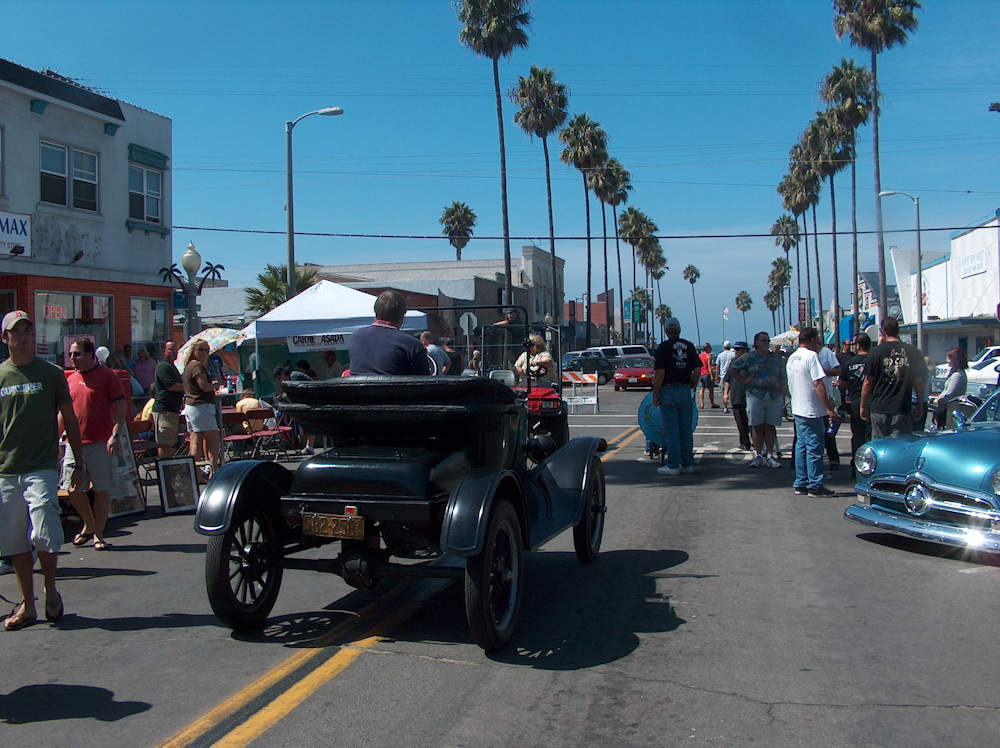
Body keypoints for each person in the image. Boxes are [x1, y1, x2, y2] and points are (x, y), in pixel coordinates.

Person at [0, 311, 85, 630]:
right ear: (5, 338)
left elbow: (70, 419)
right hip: (6, 471)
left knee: (44, 535)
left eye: (27, 330)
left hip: (42, 468)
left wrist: (78, 462)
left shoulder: (50, 374)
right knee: (14, 542)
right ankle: (28, 605)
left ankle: (51, 590)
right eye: (15, 332)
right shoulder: (1, 375)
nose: (23, 336)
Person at [62, 337, 128, 552]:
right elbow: (64, 412)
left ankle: (98, 534)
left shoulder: (107, 376)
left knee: (101, 489)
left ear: (91, 355)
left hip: (101, 442)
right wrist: (58, 436)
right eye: (71, 354)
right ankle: (88, 524)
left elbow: (121, 407)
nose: (73, 358)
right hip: (75, 443)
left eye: (77, 354)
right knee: (73, 489)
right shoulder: (70, 379)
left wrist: (115, 434)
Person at [786, 327, 839, 497]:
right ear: (811, 340)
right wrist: (829, 408)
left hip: (798, 407)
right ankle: (815, 484)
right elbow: (818, 383)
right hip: (811, 409)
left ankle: (801, 481)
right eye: (816, 340)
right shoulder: (811, 357)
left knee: (801, 446)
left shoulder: (792, 357)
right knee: (814, 448)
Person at [860, 316, 928, 439]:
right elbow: (918, 381)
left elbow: (868, 382)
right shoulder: (913, 352)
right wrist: (920, 405)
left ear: (883, 331)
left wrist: (863, 405)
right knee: (900, 447)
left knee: (880, 447)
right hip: (902, 407)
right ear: (898, 330)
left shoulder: (875, 353)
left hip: (879, 407)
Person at [651, 318, 700, 476]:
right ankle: (687, 463)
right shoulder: (689, 346)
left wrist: (656, 394)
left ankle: (673, 464)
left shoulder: (663, 348)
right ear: (679, 330)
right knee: (685, 429)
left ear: (666, 331)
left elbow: (660, 373)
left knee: (671, 430)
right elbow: (698, 369)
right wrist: (692, 384)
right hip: (685, 390)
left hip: (668, 389)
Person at [729, 331, 786, 468]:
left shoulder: (776, 358)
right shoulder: (749, 357)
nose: (766, 343)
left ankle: (770, 455)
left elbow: (783, 376)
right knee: (757, 425)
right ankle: (758, 454)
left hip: (774, 395)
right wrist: (744, 380)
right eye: (763, 341)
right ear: (756, 343)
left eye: (768, 341)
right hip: (755, 394)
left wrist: (784, 393)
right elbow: (732, 369)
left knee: (770, 426)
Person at [348, 291, 430, 376]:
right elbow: (424, 384)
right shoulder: (412, 345)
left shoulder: (355, 338)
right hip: (395, 389)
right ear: (402, 316)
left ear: (376, 312)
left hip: (359, 389)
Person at [183, 339, 220, 478]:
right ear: (193, 351)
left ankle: (196, 474)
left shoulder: (190, 366)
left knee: (196, 440)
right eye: (201, 350)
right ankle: (213, 471)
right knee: (213, 439)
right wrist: (215, 386)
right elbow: (204, 386)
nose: (204, 353)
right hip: (201, 406)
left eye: (206, 350)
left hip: (192, 406)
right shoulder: (197, 367)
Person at [838, 333, 872, 475]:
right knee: (871, 436)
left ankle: (856, 466)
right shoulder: (873, 360)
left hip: (855, 401)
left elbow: (842, 382)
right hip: (872, 401)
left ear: (858, 346)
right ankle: (870, 466)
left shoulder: (849, 363)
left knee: (857, 435)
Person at [152, 341, 184, 458]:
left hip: (173, 410)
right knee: (164, 444)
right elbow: (172, 386)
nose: (174, 352)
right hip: (164, 410)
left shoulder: (173, 367)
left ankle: (167, 467)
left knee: (172, 443)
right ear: (164, 351)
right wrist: (188, 386)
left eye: (176, 350)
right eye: (171, 350)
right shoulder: (162, 366)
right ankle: (163, 471)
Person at [816, 344, 842, 470]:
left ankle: (833, 458)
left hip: (826, 397)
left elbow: (837, 370)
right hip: (812, 400)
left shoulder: (826, 352)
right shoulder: (807, 355)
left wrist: (821, 371)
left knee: (827, 430)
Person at [930, 347, 968, 430]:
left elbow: (948, 394)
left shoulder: (958, 375)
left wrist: (938, 405)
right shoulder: (955, 373)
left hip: (949, 410)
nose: (947, 360)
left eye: (949, 358)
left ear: (955, 360)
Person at [724, 341, 752, 451]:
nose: (736, 351)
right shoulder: (733, 363)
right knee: (740, 422)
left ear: (745, 350)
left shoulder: (751, 363)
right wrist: (726, 393)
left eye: (739, 349)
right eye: (735, 349)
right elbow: (727, 380)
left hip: (748, 396)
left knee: (751, 421)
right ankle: (744, 442)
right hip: (736, 396)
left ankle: (755, 441)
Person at [716, 341, 736, 413]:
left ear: (724, 347)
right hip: (732, 375)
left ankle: (725, 407)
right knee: (732, 392)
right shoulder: (733, 355)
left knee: (724, 393)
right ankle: (733, 405)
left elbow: (718, 366)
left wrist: (716, 376)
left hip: (723, 375)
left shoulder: (720, 355)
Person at [697, 343, 719, 409]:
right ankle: (712, 403)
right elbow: (709, 366)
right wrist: (712, 375)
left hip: (701, 373)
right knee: (710, 389)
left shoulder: (699, 355)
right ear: (707, 349)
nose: (711, 349)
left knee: (702, 389)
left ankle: (701, 404)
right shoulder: (708, 356)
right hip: (707, 373)